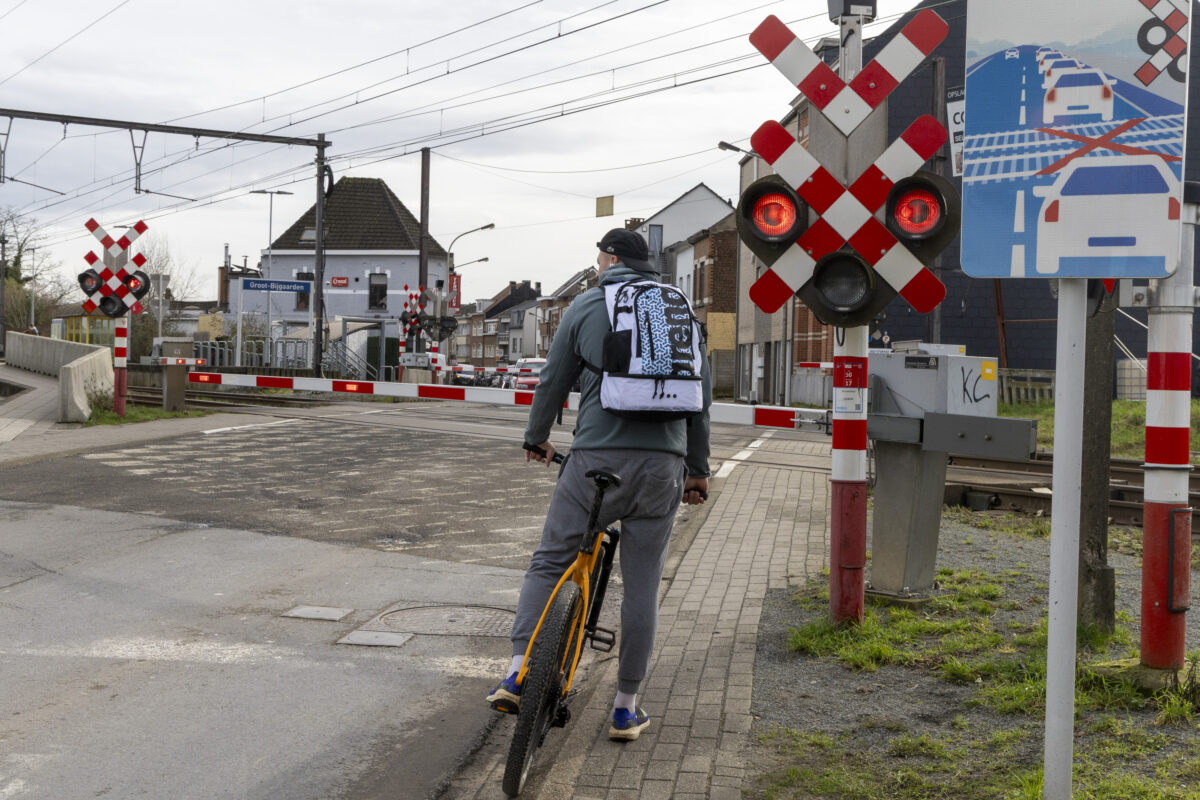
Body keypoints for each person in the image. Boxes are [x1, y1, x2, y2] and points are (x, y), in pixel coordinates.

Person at [487, 228, 711, 742]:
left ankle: (519, 673)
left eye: (598, 259)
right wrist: (697, 470)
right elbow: (700, 401)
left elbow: (552, 380)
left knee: (551, 560)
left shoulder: (587, 305)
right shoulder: (680, 311)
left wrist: (536, 437)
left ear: (609, 260)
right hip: (663, 468)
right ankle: (625, 709)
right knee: (643, 587)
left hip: (595, 461)